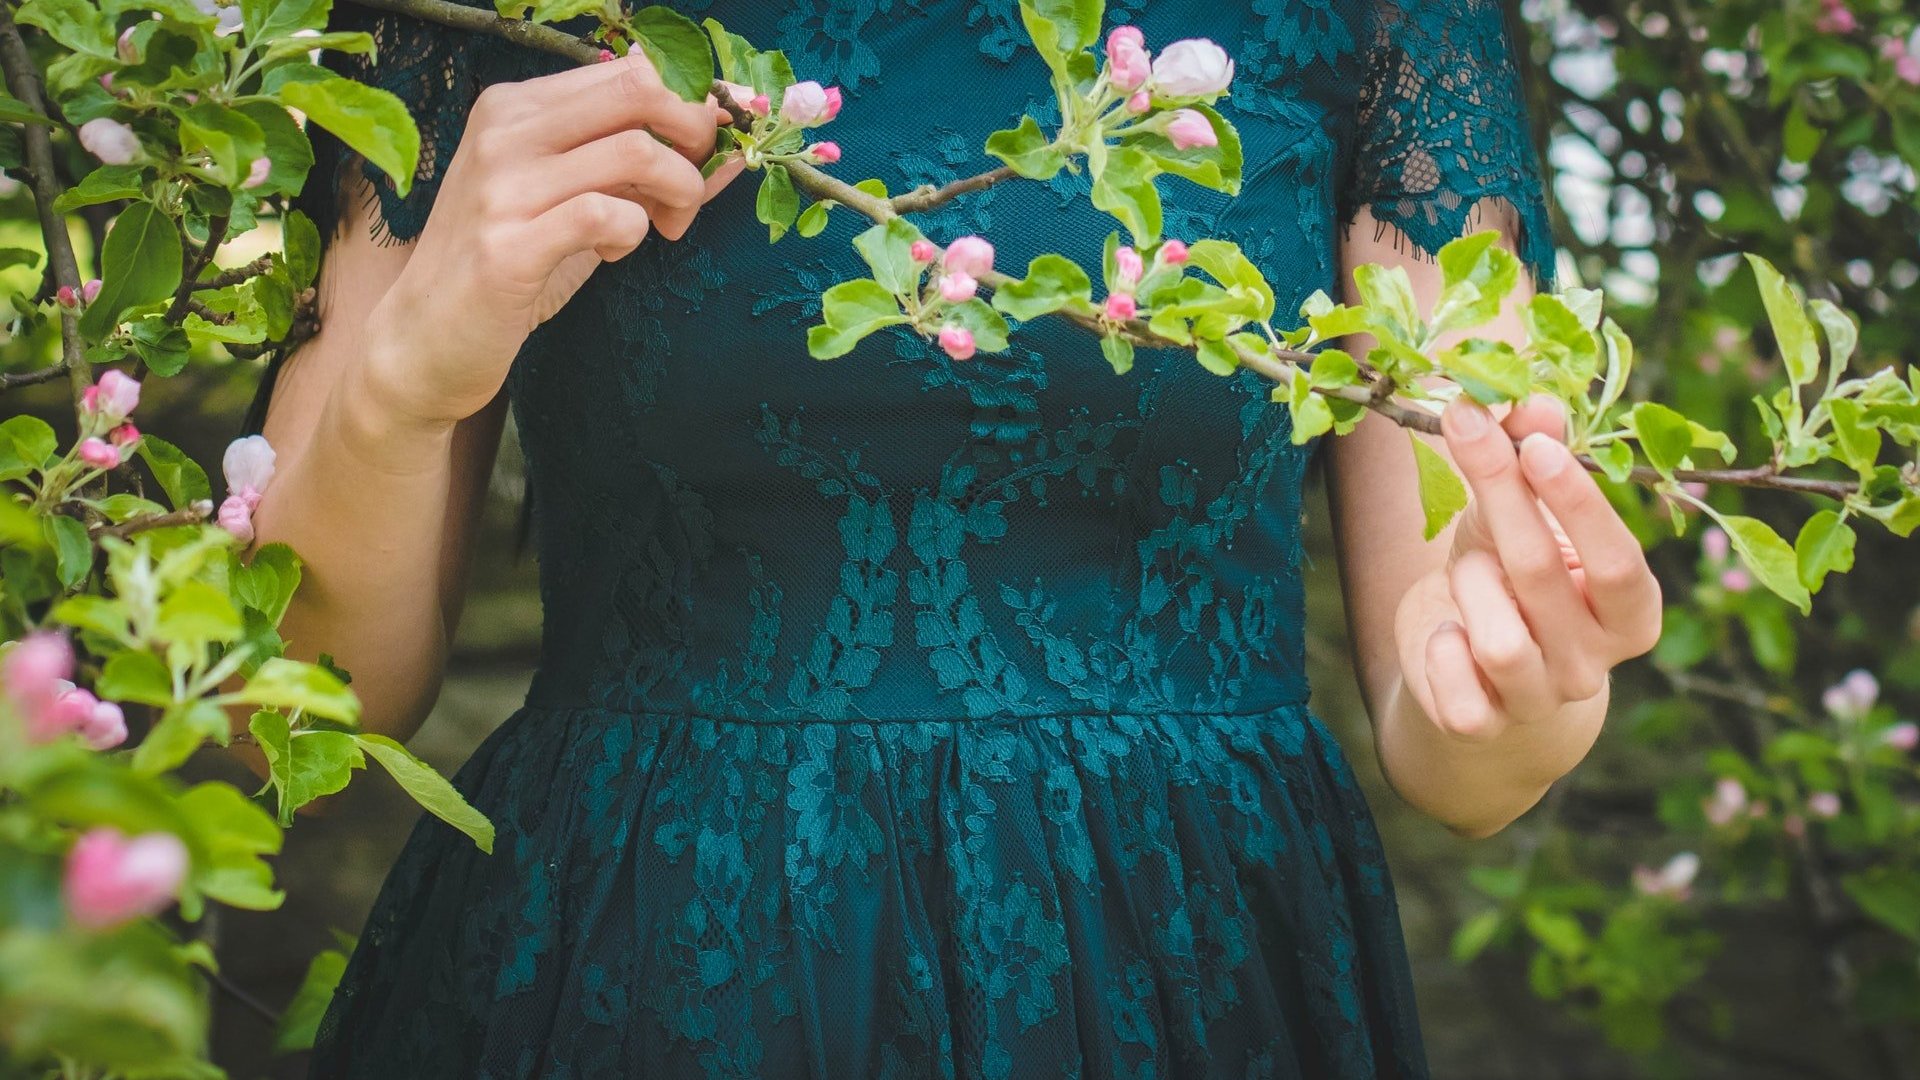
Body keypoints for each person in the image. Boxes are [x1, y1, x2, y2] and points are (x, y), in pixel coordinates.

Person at [247, 0, 1661, 1076]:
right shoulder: (478, 19)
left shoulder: (1384, 22)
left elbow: (1457, 715)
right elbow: (304, 710)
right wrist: (397, 391)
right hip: (643, 943)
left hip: (1176, 955)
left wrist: (1518, 687)